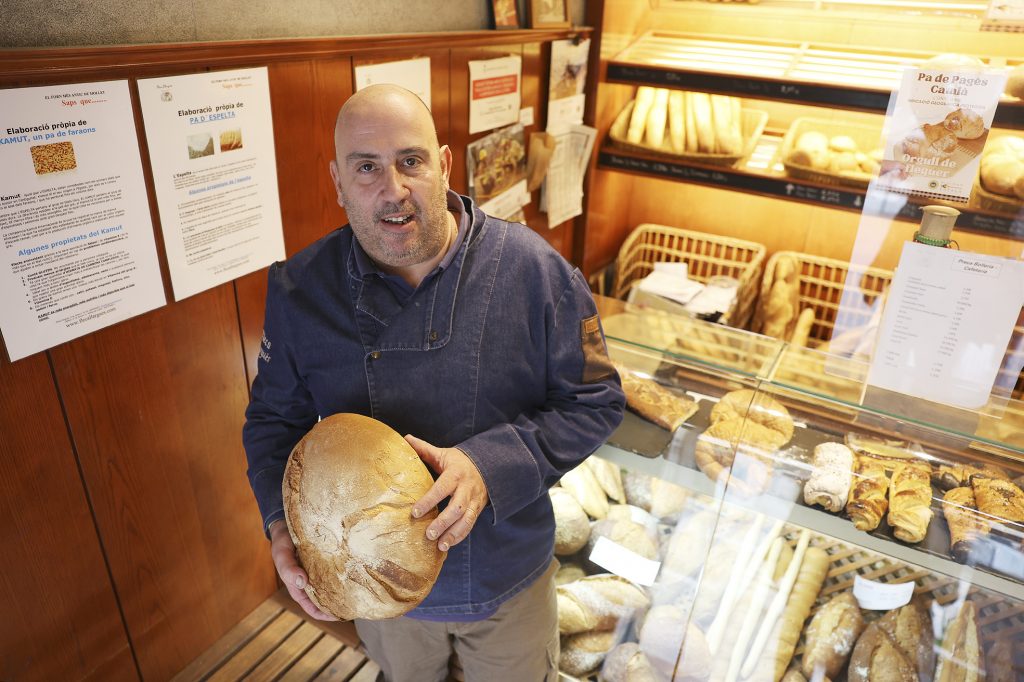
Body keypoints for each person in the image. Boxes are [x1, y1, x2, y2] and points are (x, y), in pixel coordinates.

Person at [242, 84, 625, 682]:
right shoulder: (299, 289)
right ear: (338, 182)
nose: (392, 190)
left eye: (410, 161)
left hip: (507, 579)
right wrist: (278, 524)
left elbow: (595, 400)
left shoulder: (534, 271)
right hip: (374, 587)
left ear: (444, 165)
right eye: (366, 167)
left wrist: (487, 467)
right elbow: (272, 421)